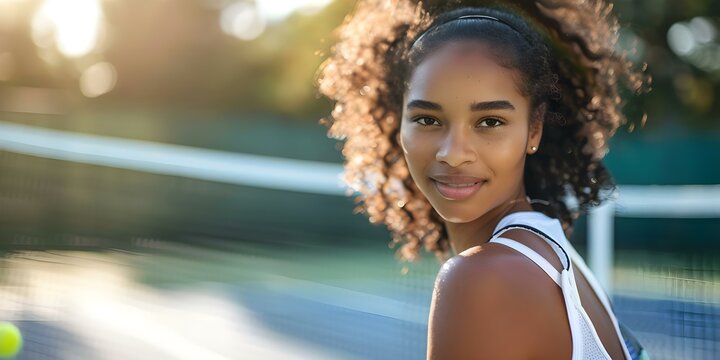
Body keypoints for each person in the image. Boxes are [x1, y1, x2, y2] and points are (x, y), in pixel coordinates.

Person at [318, 0, 651, 359]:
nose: (453, 153)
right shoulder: (552, 251)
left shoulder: (483, 278)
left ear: (533, 128)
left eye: (490, 122)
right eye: (428, 120)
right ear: (397, 121)